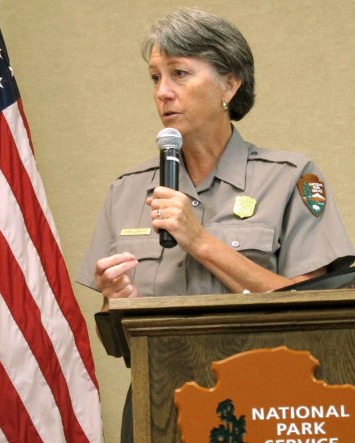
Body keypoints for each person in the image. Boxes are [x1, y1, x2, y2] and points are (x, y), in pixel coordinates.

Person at [77, 8, 355, 442]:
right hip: (160, 404)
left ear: (230, 83)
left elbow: (315, 318)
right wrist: (118, 302)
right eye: (155, 77)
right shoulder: (127, 191)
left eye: (180, 74)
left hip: (265, 404)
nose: (163, 93)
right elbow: (118, 346)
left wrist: (200, 241)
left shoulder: (290, 178)